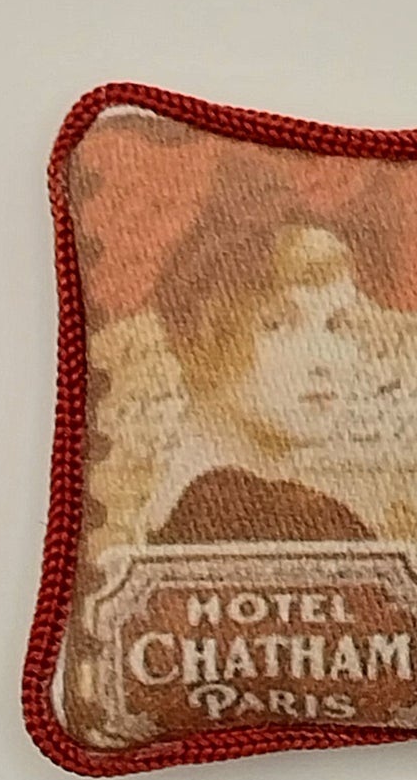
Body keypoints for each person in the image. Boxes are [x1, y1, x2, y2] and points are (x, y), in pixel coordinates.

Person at [149, 222, 378, 545]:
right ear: (202, 339)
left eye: (337, 324)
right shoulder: (223, 509)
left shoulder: (299, 512)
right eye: (277, 324)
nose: (324, 360)